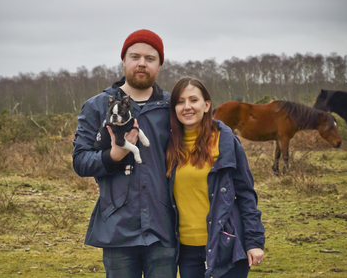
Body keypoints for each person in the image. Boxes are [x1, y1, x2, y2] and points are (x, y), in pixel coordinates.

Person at [72, 29, 176, 278]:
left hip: (163, 227)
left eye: (150, 58)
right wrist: (112, 157)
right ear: (124, 60)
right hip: (117, 227)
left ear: (160, 64)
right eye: (135, 56)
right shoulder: (97, 106)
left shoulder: (172, 108)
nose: (142, 63)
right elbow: (80, 161)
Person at [166, 77, 265, 278]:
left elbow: (246, 193)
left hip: (225, 245)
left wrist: (254, 241)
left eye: (193, 100)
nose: (187, 107)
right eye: (180, 101)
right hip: (187, 252)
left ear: (206, 105)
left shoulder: (225, 141)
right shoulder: (167, 145)